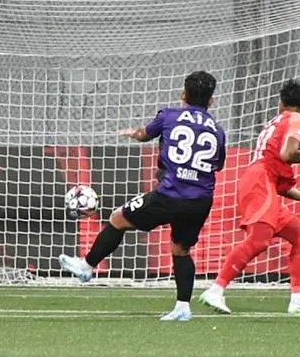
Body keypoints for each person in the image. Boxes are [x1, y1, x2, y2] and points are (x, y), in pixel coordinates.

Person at [58, 71, 226, 321]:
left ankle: (87, 266)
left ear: (183, 94)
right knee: (181, 249)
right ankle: (182, 308)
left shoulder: (169, 115)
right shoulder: (217, 130)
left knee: (118, 218)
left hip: (170, 195)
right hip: (200, 201)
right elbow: (218, 165)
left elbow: (143, 135)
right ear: (211, 100)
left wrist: (133, 133)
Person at [199, 80, 300, 316]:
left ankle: (298, 300)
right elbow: (287, 154)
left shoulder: (278, 121)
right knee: (259, 240)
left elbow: (279, 183)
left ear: (280, 104)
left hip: (261, 181)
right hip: (261, 181)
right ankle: (215, 290)